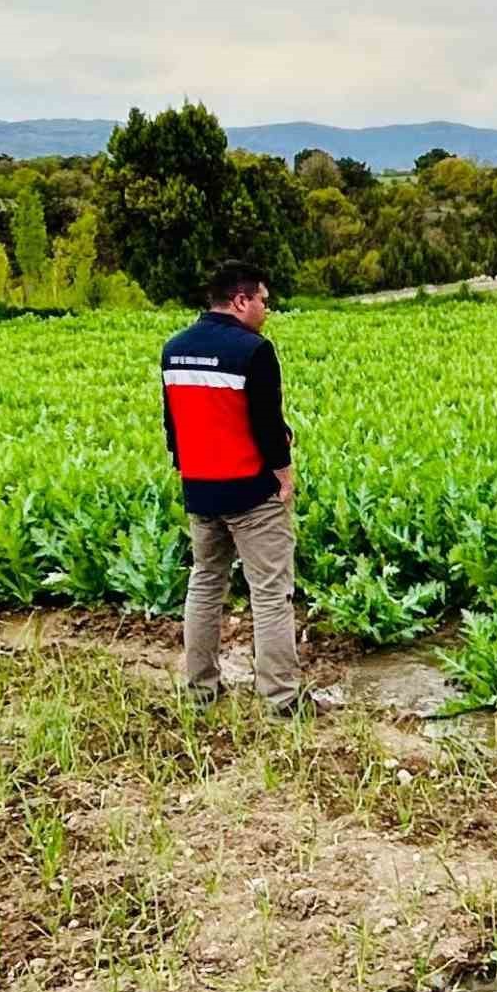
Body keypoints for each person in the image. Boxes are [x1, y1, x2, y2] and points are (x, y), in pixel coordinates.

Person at [161, 261, 303, 715]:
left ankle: (201, 690)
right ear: (240, 300)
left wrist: (188, 470)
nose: (266, 308)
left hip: (200, 489)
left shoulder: (174, 350)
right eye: (262, 299)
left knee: (205, 583)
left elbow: (173, 427)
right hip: (249, 491)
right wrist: (283, 475)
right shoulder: (253, 351)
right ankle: (280, 698)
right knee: (270, 592)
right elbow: (266, 426)